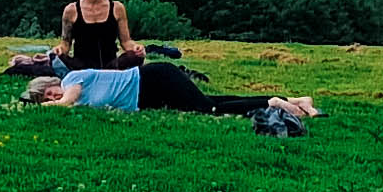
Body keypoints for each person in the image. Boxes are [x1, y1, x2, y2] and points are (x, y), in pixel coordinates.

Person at [24, 63, 317, 120]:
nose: (53, 97)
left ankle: (274, 102)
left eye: (48, 93)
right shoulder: (70, 92)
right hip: (149, 95)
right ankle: (296, 101)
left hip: (154, 79)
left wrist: (45, 107)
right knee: (207, 102)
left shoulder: (71, 80)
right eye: (47, 99)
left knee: (208, 110)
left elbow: (67, 103)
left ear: (52, 84)